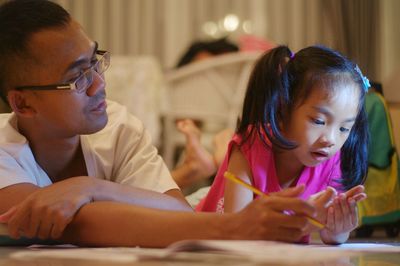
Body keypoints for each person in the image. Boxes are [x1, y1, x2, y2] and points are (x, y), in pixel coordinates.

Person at [0, 0, 318, 247]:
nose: (99, 84)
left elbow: (175, 212)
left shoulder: (117, 125)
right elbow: (79, 224)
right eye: (77, 78)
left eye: (95, 61)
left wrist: (90, 187)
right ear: (23, 103)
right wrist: (235, 226)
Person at [196, 45, 369, 244]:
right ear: (283, 109)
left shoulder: (331, 160)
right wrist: (300, 221)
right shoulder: (250, 145)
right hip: (203, 228)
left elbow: (331, 237)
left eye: (344, 129)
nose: (330, 139)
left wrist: (339, 227)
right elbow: (237, 228)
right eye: (319, 121)